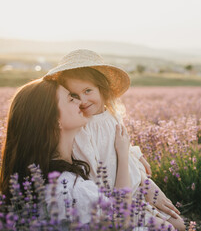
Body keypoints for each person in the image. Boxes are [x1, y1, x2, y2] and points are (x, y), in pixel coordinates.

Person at [0, 78, 174, 229]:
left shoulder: (46, 170)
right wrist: (123, 154)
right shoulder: (73, 190)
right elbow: (122, 219)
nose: (81, 102)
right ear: (54, 120)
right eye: (71, 98)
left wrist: (143, 179)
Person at [44, 49, 186, 230]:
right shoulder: (81, 126)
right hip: (115, 197)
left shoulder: (112, 115)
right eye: (75, 95)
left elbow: (122, 142)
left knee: (180, 224)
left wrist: (135, 155)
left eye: (88, 91)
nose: (83, 100)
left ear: (102, 90)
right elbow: (93, 172)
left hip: (134, 189)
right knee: (174, 228)